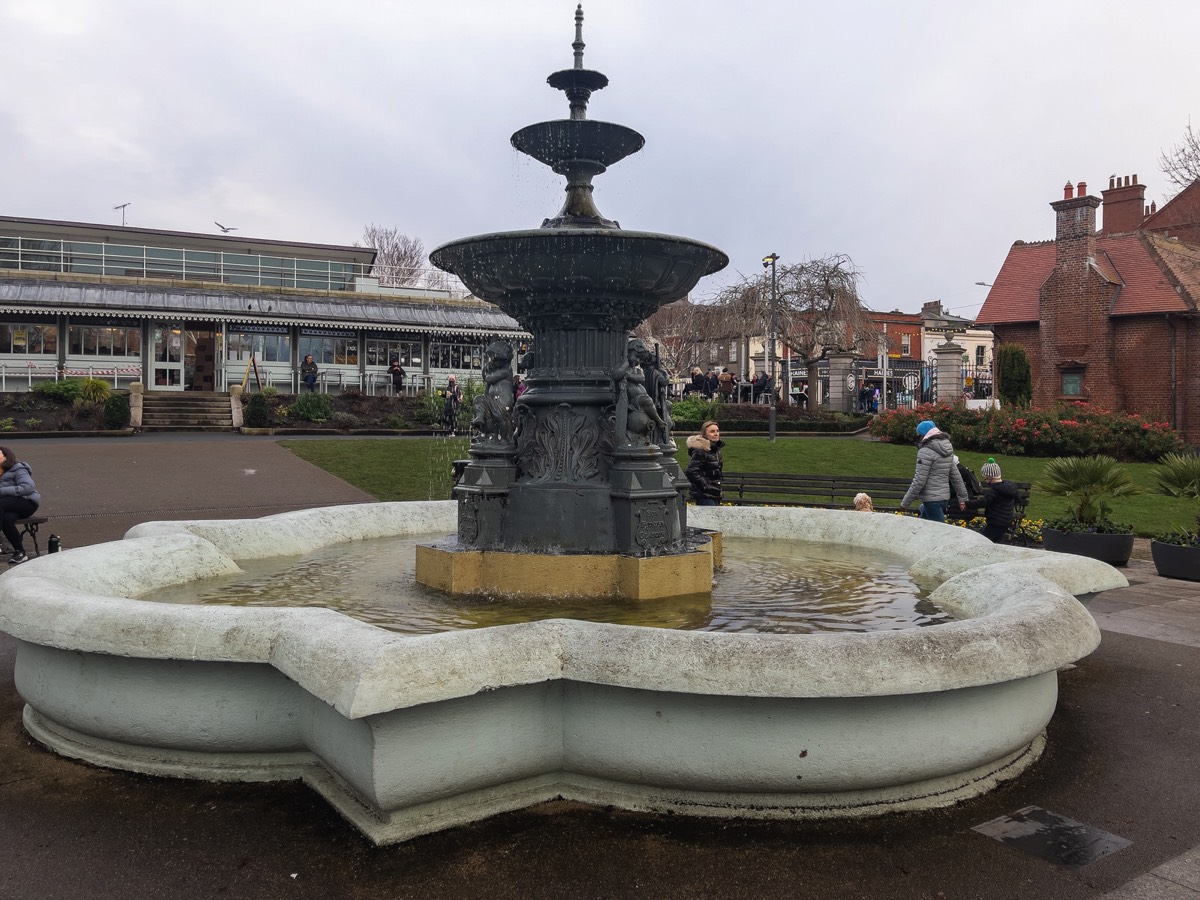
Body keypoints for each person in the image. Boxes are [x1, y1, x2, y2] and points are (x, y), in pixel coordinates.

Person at [899, 419, 969, 522]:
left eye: (919, 435)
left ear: (923, 435)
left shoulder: (925, 452)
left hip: (931, 500)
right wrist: (963, 499)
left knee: (939, 532)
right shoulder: (948, 450)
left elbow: (919, 481)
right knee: (923, 527)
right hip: (944, 498)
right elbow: (956, 477)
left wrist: (905, 503)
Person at [0, 446, 40, 565]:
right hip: (6, 506)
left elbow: (28, 487)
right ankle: (20, 552)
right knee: (7, 520)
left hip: (26, 502)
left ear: (6, 456)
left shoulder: (18, 468)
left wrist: (2, 491)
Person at [969, 459, 1022, 543]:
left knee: (983, 540)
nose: (985, 479)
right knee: (997, 542)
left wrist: (968, 504)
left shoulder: (994, 490)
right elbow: (1018, 499)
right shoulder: (1010, 487)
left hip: (995, 521)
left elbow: (985, 502)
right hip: (1006, 520)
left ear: (989, 477)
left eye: (985, 477)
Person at [685, 420, 724, 506]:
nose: (716, 433)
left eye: (717, 431)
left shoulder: (715, 450)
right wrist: (705, 486)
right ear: (705, 434)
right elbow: (691, 471)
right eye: (712, 431)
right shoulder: (700, 451)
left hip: (715, 493)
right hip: (704, 495)